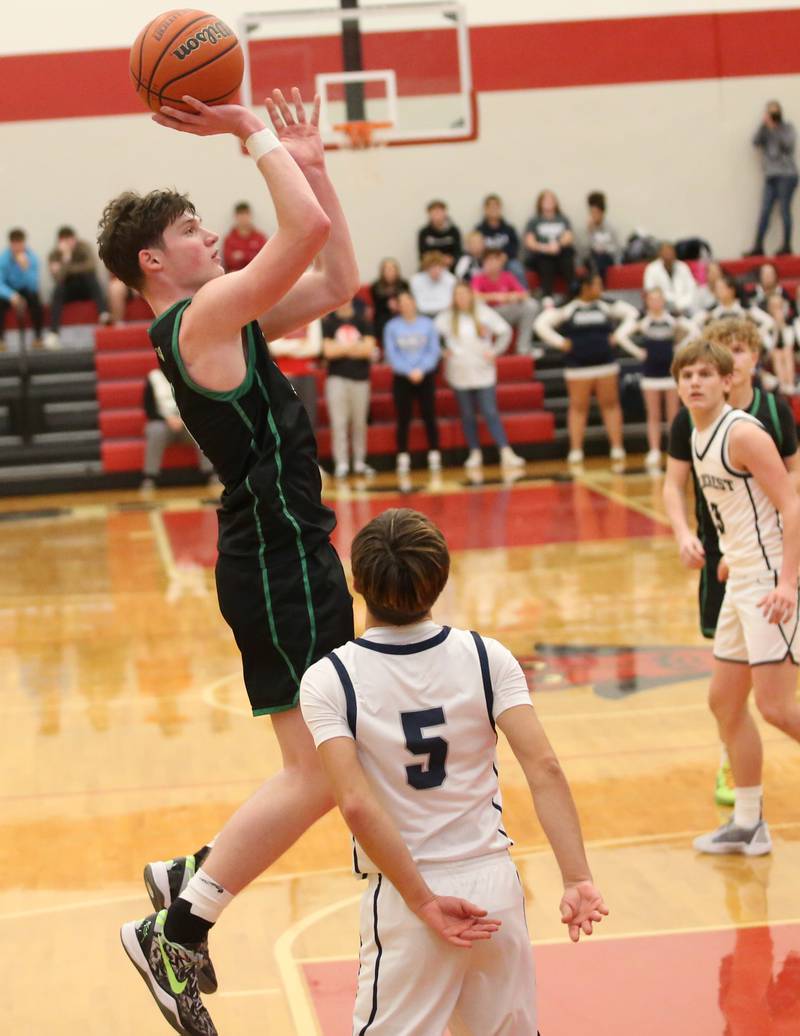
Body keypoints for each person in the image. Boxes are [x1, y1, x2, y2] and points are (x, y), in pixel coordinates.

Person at [100, 88, 359, 1036]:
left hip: (285, 552)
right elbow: (307, 232)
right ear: (153, 261)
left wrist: (314, 161)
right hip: (279, 557)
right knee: (324, 771)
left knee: (334, 762)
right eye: (193, 229)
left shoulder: (223, 321)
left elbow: (336, 279)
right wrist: (253, 133)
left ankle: (185, 885)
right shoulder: (203, 320)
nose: (212, 236)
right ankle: (177, 923)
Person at [299, 508, 608, 1036]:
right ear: (440, 579)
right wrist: (577, 876)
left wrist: (422, 900)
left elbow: (354, 803)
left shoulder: (330, 679)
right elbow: (545, 768)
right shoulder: (488, 657)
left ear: (356, 583)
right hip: (494, 884)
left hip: (408, 891)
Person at [668, 337, 800, 856]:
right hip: (740, 575)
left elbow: (791, 506)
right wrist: (729, 553)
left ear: (728, 381)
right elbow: (741, 509)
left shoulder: (743, 433)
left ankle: (749, 821)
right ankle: (748, 822)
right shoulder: (697, 434)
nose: (695, 383)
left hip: (771, 581)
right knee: (724, 702)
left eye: (704, 374)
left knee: (775, 706)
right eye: (686, 375)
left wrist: (788, 582)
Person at [534, 273, 639, 467]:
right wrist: (560, 342)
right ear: (585, 287)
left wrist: (618, 336)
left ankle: (617, 447)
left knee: (611, 405)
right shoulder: (568, 308)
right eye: (597, 284)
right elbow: (540, 324)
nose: (601, 288)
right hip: (577, 367)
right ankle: (576, 450)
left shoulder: (606, 305)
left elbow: (633, 314)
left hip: (605, 364)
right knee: (578, 407)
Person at [436, 282, 525, 470]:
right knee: (467, 414)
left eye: (464, 294)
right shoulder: (446, 317)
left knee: (490, 411)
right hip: (459, 371)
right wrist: (442, 351)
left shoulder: (483, 312)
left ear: (470, 295)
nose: (461, 298)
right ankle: (474, 452)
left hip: (483, 370)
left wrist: (495, 351)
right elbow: (430, 335)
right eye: (457, 295)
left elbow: (505, 331)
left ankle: (505, 451)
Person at [615, 288, 695, 470]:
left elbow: (694, 330)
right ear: (647, 302)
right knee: (653, 414)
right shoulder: (643, 321)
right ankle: (654, 450)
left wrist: (680, 348)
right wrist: (638, 352)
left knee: (673, 414)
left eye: (659, 299)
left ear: (664, 301)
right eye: (652, 299)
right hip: (650, 372)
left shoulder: (672, 319)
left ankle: (675, 448)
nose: (656, 302)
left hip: (670, 372)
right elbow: (620, 336)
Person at [383, 291, 441, 474]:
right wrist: (408, 371)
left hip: (425, 375)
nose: (406, 305)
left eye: (409, 302)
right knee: (403, 416)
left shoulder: (428, 324)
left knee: (429, 414)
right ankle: (402, 456)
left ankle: (434, 453)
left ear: (415, 303)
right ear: (399, 306)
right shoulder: (392, 327)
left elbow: (434, 350)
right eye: (402, 302)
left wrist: (421, 370)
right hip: (402, 377)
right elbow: (391, 353)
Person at [322, 298, 377, 478]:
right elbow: (329, 352)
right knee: (339, 423)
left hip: (361, 379)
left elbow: (368, 349)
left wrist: (342, 348)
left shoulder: (363, 321)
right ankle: (342, 463)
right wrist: (355, 347)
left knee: (360, 423)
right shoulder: (329, 322)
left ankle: (360, 461)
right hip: (336, 379)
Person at [141, 367, 214, 489]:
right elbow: (149, 409)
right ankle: (150, 477)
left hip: (186, 422)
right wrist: (167, 419)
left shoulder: (189, 375)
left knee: (203, 426)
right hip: (163, 423)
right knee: (155, 430)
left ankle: (211, 473)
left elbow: (196, 403)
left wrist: (183, 419)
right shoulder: (153, 377)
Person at [44, 225, 109, 348]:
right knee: (58, 288)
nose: (68, 244)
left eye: (70, 240)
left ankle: (103, 314)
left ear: (75, 239)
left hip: (85, 288)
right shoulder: (54, 254)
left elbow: (90, 266)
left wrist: (66, 269)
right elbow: (58, 278)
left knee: (90, 277)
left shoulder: (84, 247)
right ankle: (54, 333)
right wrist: (66, 257)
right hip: (67, 292)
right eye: (64, 241)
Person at [747, 100, 798, 257]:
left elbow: (788, 145)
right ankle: (758, 246)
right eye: (770, 112)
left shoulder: (787, 128)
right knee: (765, 211)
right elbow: (755, 142)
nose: (773, 116)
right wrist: (764, 126)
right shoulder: (765, 129)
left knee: (784, 211)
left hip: (786, 175)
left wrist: (775, 129)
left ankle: (787, 246)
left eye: (775, 113)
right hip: (770, 176)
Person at [471, 248, 540, 356]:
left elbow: (525, 294)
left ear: (500, 262)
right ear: (483, 262)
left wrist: (513, 296)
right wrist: (495, 297)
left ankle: (523, 348)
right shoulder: (478, 278)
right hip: (488, 314)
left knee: (531, 305)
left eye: (495, 260)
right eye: (489, 260)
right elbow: (473, 296)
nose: (492, 263)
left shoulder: (507, 276)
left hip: (507, 311)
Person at [266, 318, 322, 427]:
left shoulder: (312, 312)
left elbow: (316, 348)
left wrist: (287, 347)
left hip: (307, 375)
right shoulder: (278, 312)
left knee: (309, 422)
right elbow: (274, 347)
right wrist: (301, 344)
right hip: (283, 376)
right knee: (285, 424)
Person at [696, 272, 775, 349]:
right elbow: (693, 324)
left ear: (731, 290)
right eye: (717, 288)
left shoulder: (746, 310)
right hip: (719, 351)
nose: (717, 291)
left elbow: (770, 322)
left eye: (721, 288)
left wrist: (755, 334)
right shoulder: (712, 311)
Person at [523, 190, 576, 299]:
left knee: (567, 258)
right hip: (542, 254)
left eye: (551, 199)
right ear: (540, 203)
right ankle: (547, 297)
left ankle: (573, 293)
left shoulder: (562, 219)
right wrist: (545, 248)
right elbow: (529, 242)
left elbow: (569, 236)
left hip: (560, 252)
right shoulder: (534, 221)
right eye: (546, 199)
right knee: (546, 261)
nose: (549, 202)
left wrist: (558, 245)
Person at [0, 228, 43, 349]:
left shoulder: (32, 258)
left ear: (24, 243)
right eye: (14, 244)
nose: (17, 247)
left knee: (36, 300)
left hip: (26, 289)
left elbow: (34, 286)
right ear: (10, 244)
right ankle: (1, 340)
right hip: (9, 290)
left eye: (20, 243)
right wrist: (11, 295)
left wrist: (26, 268)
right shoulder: (3, 258)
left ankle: (38, 337)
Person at [475, 193, 526, 284]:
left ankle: (523, 294)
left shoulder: (509, 229)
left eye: (496, 206)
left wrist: (504, 256)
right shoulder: (479, 229)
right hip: (487, 262)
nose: (493, 209)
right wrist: (491, 259)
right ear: (485, 209)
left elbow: (515, 246)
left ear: (500, 208)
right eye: (490, 207)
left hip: (507, 260)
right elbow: (476, 248)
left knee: (517, 268)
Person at [643, 242, 698, 317]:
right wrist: (671, 304)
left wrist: (682, 304)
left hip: (685, 308)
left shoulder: (683, 267)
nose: (668, 255)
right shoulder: (652, 269)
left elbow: (692, 289)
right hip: (662, 309)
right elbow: (650, 291)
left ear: (675, 254)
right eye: (665, 253)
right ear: (660, 254)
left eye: (670, 252)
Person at [582, 190, 621, 284]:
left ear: (602, 212)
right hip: (592, 258)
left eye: (597, 212)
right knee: (593, 260)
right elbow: (584, 250)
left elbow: (616, 248)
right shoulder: (588, 228)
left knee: (600, 259)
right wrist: (589, 232)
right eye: (592, 212)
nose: (594, 215)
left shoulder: (611, 228)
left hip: (607, 257)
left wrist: (604, 249)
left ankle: (598, 286)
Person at [370, 257, 410, 345]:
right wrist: (388, 306)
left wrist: (399, 306)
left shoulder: (404, 284)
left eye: (392, 269)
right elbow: (377, 306)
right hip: (383, 316)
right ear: (382, 271)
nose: (390, 272)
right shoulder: (375, 286)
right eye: (387, 269)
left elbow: (408, 301)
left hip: (402, 313)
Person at [221, 200, 268, 272]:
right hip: (235, 276)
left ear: (250, 215)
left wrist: (242, 256)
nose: (243, 217)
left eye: (246, 214)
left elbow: (264, 260)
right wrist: (251, 255)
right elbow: (229, 262)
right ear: (236, 216)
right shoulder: (229, 239)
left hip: (257, 274)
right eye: (241, 214)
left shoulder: (260, 237)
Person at [410, 250, 456, 318]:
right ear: (426, 268)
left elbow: (450, 304)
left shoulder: (451, 280)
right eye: (432, 267)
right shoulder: (415, 280)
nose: (436, 270)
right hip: (422, 316)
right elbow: (418, 305)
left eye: (439, 267)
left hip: (445, 315)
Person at [417, 199, 462, 268]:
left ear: (445, 213)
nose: (437, 215)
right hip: (430, 268)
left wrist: (451, 260)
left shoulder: (454, 231)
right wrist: (438, 260)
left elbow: (458, 252)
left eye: (439, 211)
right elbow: (422, 255)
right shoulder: (424, 233)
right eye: (434, 212)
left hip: (451, 268)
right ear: (429, 214)